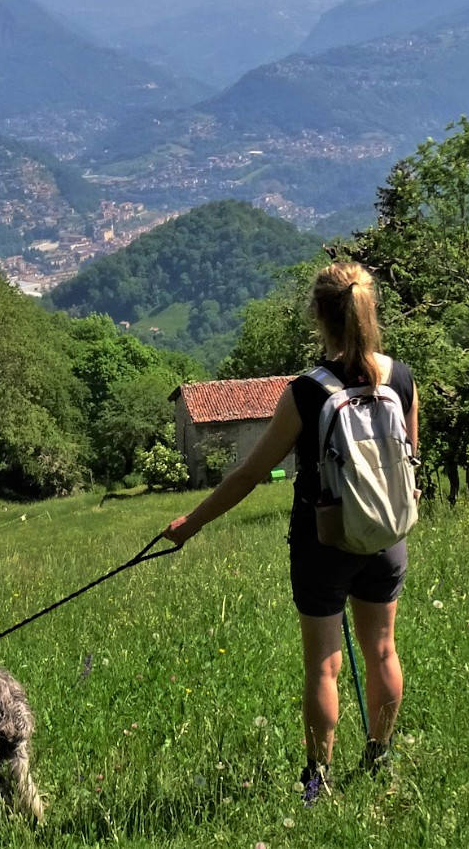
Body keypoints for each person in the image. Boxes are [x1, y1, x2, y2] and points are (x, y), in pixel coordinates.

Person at [162, 261, 417, 796]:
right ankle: (382, 755)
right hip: (388, 536)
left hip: (324, 541)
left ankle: (317, 780)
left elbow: (252, 472)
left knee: (324, 667)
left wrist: (191, 523)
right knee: (384, 652)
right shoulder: (401, 378)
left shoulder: (308, 391)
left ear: (318, 315)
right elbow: (409, 458)